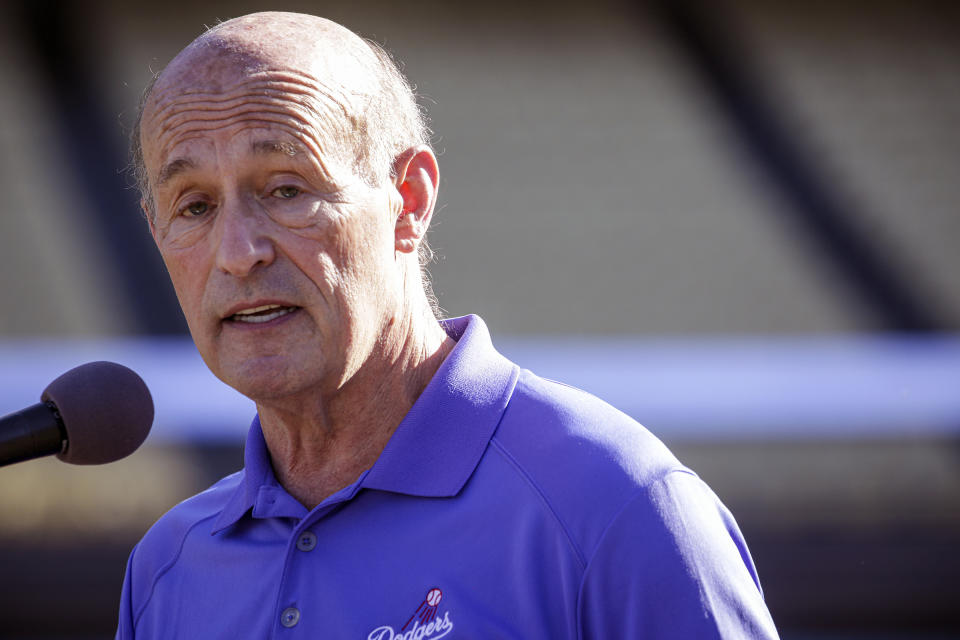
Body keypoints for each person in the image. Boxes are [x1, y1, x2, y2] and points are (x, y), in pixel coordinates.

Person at [117, 11, 779, 639]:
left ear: (409, 200)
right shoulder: (166, 572)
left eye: (287, 189)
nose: (238, 252)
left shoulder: (615, 506)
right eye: (195, 206)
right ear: (155, 234)